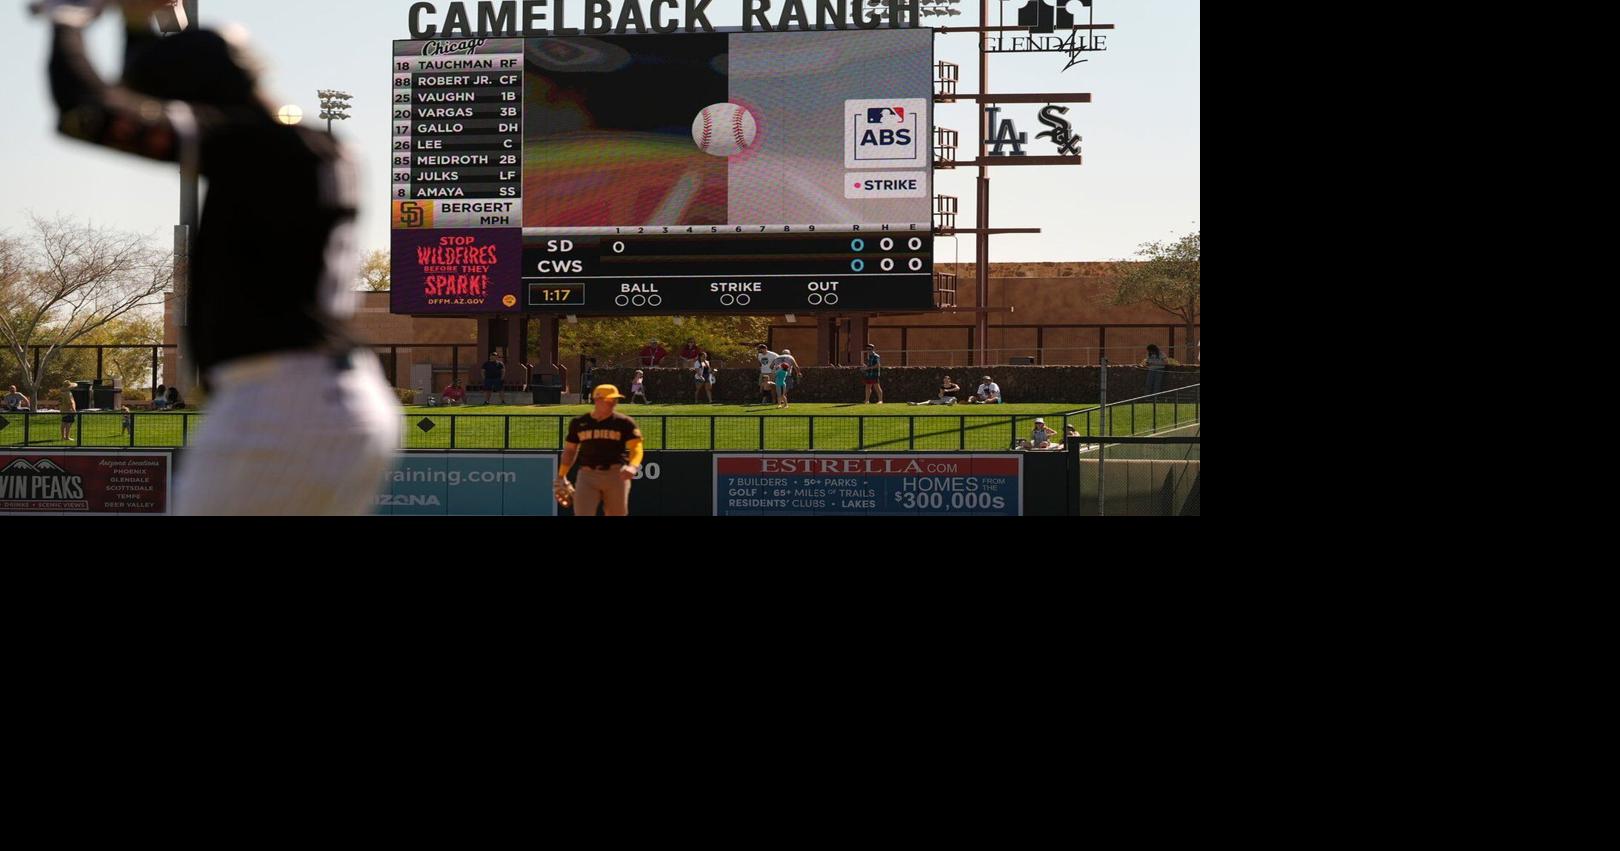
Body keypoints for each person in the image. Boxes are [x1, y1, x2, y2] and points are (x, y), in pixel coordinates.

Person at [42, 0, 401, 514]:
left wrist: (67, 21)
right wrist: (139, 20)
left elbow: (86, 112)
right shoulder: (311, 145)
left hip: (281, 402)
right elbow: (154, 93)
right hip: (334, 396)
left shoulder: (256, 147)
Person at [557, 384, 644, 517]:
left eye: (615, 400)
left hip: (616, 475)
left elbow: (636, 447)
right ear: (597, 400)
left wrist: (633, 466)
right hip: (587, 476)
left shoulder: (624, 422)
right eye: (609, 400)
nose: (613, 403)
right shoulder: (579, 423)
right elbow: (570, 451)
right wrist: (561, 475)